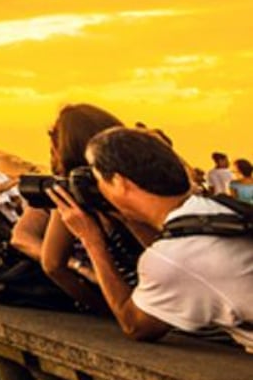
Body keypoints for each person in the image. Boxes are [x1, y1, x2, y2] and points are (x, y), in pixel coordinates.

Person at [52, 126, 252, 351]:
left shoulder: (174, 256)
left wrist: (91, 241)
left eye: (98, 180)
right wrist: (128, 215)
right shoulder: (217, 210)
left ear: (119, 182)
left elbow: (135, 325)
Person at [12, 102, 145, 311]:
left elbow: (53, 264)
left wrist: (102, 306)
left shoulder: (71, 192)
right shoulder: (136, 183)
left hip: (135, 308)